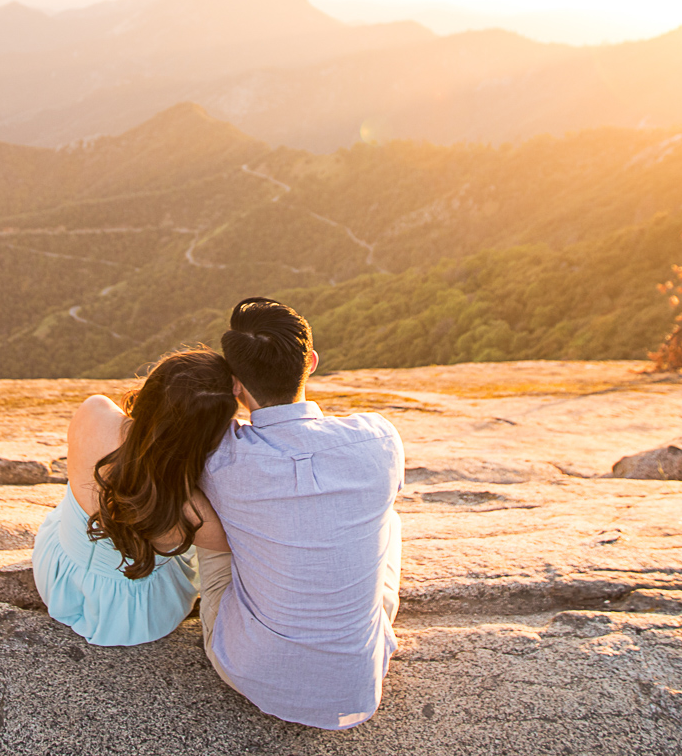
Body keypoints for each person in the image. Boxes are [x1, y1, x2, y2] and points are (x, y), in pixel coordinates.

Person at [197, 297, 405, 730]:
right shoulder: (378, 438)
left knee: (216, 527)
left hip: (249, 670)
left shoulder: (218, 459)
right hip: (357, 683)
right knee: (386, 519)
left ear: (235, 384)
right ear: (310, 362)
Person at [33, 345, 236, 646]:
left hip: (57, 576)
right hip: (132, 616)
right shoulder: (189, 508)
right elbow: (238, 546)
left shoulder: (94, 411)